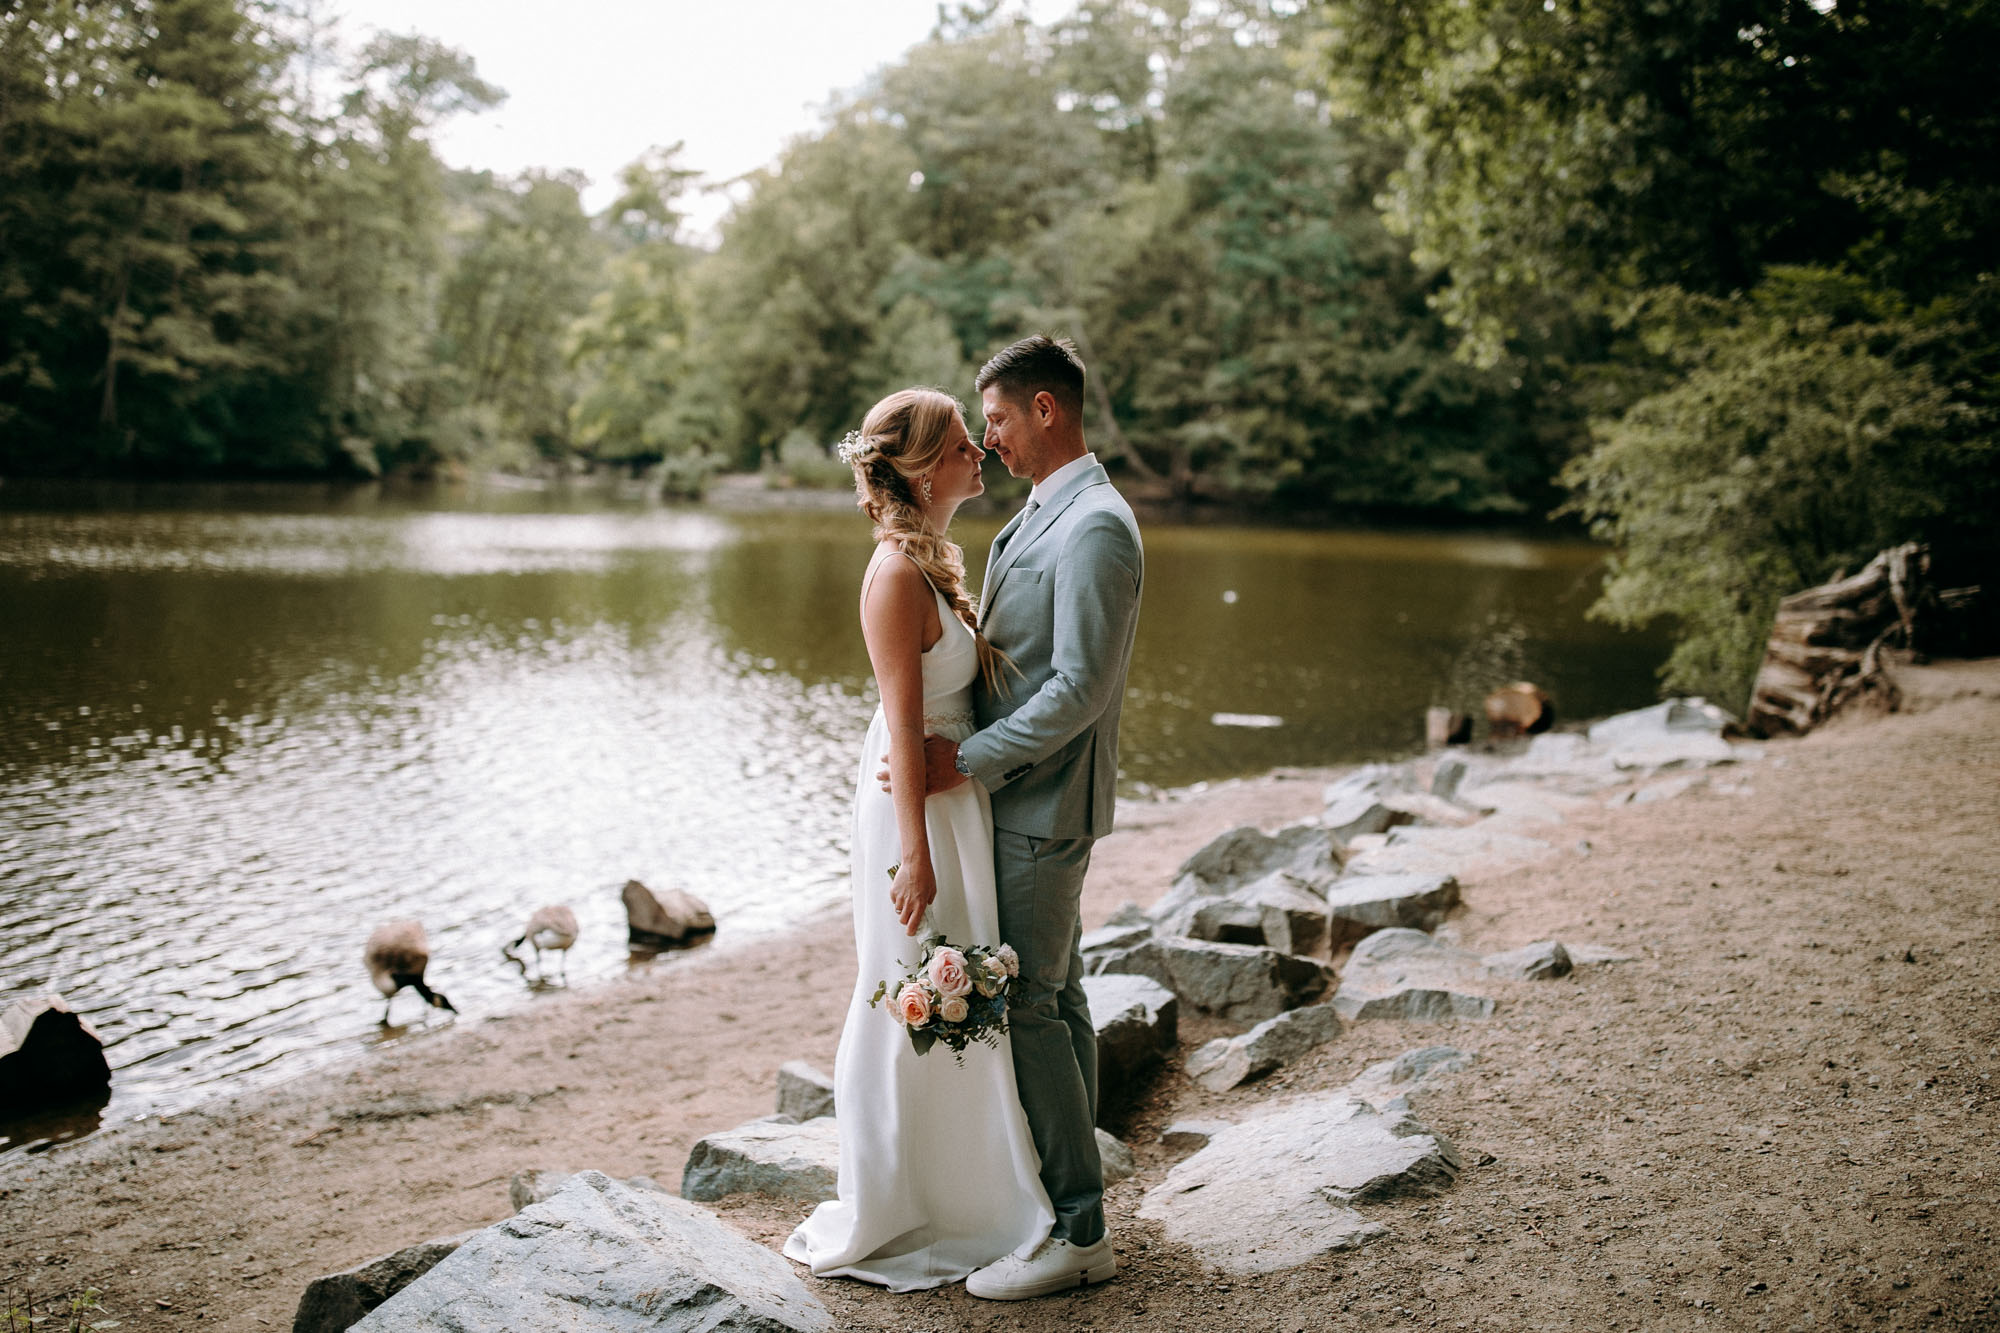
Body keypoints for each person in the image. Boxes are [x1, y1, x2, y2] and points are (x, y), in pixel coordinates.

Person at [782, 387, 1054, 1292]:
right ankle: (897, 1201)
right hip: (915, 809)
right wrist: (916, 856)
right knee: (904, 987)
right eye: (963, 443)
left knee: (964, 987)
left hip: (953, 799)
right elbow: (902, 728)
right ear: (925, 464)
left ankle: (972, 1194)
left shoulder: (932, 559)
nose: (982, 450)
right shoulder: (895, 576)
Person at [904, 335, 1144, 1301]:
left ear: (1047, 409)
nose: (988, 437)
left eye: (996, 418)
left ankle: (1079, 1231)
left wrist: (963, 758)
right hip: (1017, 801)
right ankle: (1063, 1199)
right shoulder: (1042, 514)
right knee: (1062, 995)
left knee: (1035, 1003)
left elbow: (1082, 687)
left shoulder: (1096, 527)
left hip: (1043, 804)